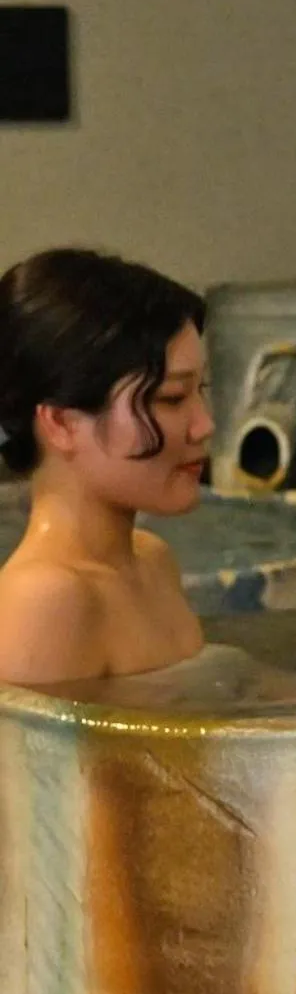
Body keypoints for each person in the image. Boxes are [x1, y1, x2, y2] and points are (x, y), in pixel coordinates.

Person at [0, 248, 212, 686]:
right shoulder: (43, 601)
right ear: (60, 423)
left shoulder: (152, 561)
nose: (204, 425)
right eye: (171, 398)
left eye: (201, 390)